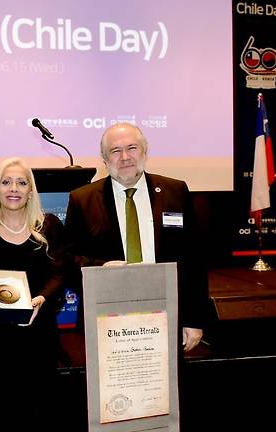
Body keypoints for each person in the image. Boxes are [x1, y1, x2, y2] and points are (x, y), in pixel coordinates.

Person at [64, 122, 209, 352]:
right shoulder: (83, 199)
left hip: (167, 311)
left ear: (144, 152)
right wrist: (101, 269)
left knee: (165, 386)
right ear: (104, 159)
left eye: (132, 148)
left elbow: (193, 260)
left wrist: (194, 319)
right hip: (107, 315)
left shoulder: (175, 192)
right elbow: (68, 258)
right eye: (115, 151)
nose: (125, 157)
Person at [0, 157, 66, 428]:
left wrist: (42, 298)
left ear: (31, 191)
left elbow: (60, 273)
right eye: (6, 182)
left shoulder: (49, 226)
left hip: (39, 330)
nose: (14, 188)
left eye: (22, 182)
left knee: (40, 406)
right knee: (1, 406)